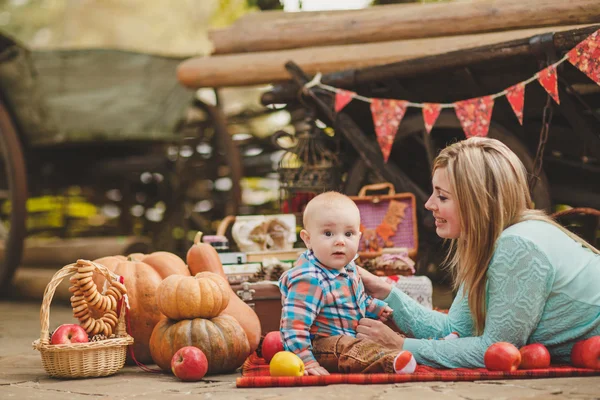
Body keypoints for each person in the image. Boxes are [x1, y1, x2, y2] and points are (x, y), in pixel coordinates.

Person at [355, 137, 600, 368]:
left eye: (442, 196)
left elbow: (496, 350)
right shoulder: (490, 242)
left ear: (478, 201)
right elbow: (454, 329)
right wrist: (384, 290)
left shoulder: (519, 246)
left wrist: (400, 345)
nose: (429, 204)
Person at [279, 192, 416, 375]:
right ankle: (390, 361)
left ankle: (420, 346)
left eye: (349, 233)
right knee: (349, 348)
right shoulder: (309, 278)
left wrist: (375, 307)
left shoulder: (349, 269)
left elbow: (356, 301)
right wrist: (306, 361)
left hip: (351, 337)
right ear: (308, 239)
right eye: (328, 233)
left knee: (382, 335)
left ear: (359, 237)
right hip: (323, 345)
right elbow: (293, 325)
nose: (340, 241)